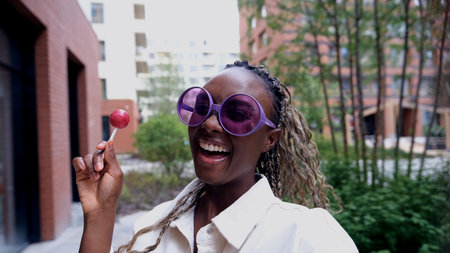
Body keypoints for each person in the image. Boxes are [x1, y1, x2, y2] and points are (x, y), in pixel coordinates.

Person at [72, 60, 358, 252]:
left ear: (269, 139)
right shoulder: (152, 228)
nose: (209, 124)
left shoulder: (308, 238)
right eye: (201, 107)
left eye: (238, 114)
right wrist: (100, 215)